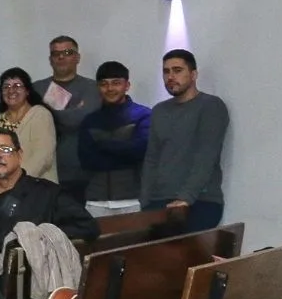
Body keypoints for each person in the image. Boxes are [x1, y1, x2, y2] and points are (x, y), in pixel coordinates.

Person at [0, 127, 98, 281]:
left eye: (5, 149)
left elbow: (87, 226)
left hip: (24, 285)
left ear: (19, 155)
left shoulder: (46, 194)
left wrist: (36, 239)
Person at [142, 49, 229, 232]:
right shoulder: (159, 111)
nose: (170, 77)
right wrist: (145, 199)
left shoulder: (210, 106)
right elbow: (152, 158)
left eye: (177, 70)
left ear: (193, 74)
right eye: (166, 71)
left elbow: (206, 156)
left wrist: (186, 198)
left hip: (200, 202)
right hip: (158, 201)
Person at [76, 61, 150, 219]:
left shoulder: (143, 115)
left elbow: (140, 151)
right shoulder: (90, 121)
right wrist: (124, 152)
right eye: (104, 84)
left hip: (133, 199)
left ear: (127, 85)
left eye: (116, 83)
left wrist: (102, 145)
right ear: (98, 87)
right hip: (95, 201)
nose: (110, 89)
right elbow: (87, 161)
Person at [36, 36, 101, 200]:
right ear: (50, 59)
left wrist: (47, 112)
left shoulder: (93, 88)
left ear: (77, 57)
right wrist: (74, 110)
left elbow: (78, 120)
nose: (61, 57)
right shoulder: (36, 89)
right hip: (44, 174)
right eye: (56, 53)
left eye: (67, 53)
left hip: (84, 175)